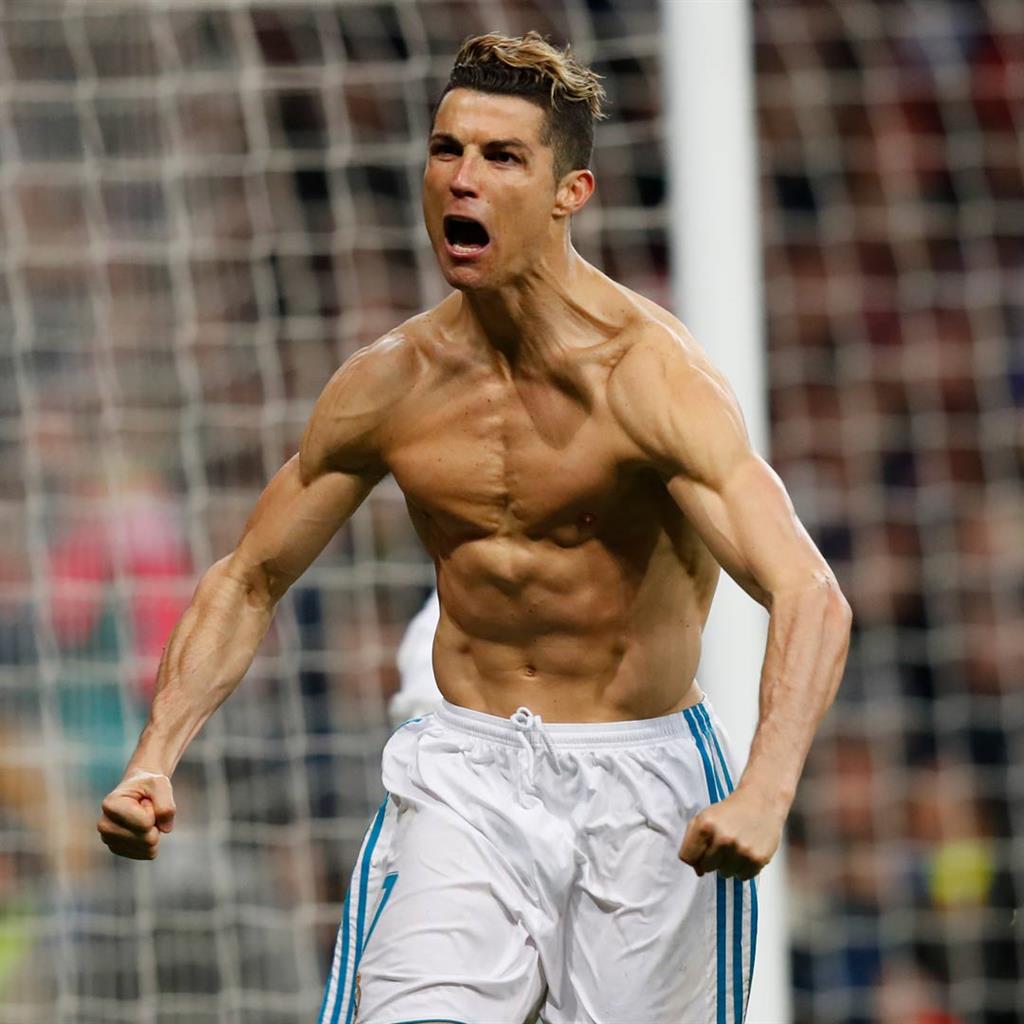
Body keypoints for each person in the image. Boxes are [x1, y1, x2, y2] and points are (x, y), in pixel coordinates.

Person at [97, 31, 851, 1024]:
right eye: (446, 150)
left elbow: (809, 594)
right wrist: (155, 754)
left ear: (570, 192)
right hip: (465, 775)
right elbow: (249, 576)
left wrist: (765, 791)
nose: (463, 178)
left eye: (502, 157)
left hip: (646, 789)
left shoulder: (650, 380)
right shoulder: (390, 384)